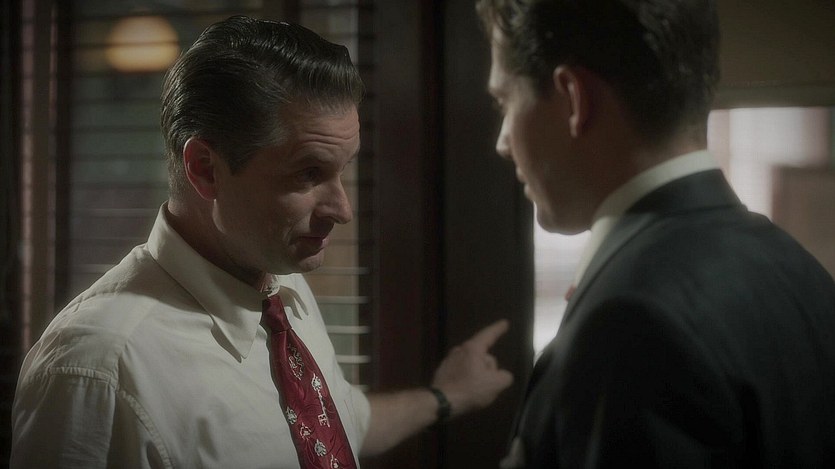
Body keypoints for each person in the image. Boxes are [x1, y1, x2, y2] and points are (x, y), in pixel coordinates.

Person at [11, 16, 513, 468]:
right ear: (205, 169)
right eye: (308, 173)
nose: (342, 210)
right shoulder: (98, 369)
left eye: (342, 170)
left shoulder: (282, 288)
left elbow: (341, 423)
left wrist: (448, 396)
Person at [476, 0, 835, 467]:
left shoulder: (631, 323)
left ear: (572, 99)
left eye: (505, 101)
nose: (503, 142)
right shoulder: (799, 270)